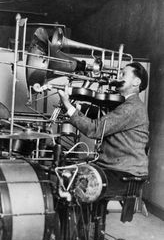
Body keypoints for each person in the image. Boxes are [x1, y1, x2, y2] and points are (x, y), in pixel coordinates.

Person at [58, 62, 149, 223]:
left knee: (77, 183)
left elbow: (96, 129)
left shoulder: (131, 108)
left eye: (123, 74)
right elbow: (103, 116)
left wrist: (68, 106)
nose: (117, 78)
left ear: (136, 82)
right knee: (72, 176)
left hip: (124, 175)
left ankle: (82, 238)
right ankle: (86, 236)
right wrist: (77, 106)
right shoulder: (126, 105)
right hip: (118, 170)